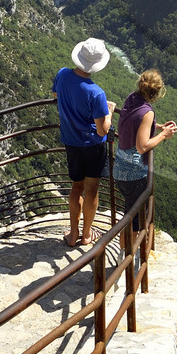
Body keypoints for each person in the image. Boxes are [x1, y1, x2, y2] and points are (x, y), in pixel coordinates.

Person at [52, 37, 111, 248]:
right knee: (91, 189)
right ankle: (86, 234)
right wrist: (109, 112)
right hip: (93, 146)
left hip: (71, 142)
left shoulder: (62, 74)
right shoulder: (96, 93)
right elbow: (103, 129)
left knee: (76, 187)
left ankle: (73, 234)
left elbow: (56, 94)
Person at [112, 69, 176, 249]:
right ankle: (129, 256)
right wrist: (164, 134)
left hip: (119, 169)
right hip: (134, 175)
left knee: (128, 214)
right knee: (134, 221)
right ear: (158, 93)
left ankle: (123, 252)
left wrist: (156, 126)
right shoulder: (147, 113)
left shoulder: (131, 98)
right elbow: (142, 146)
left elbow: (135, 122)